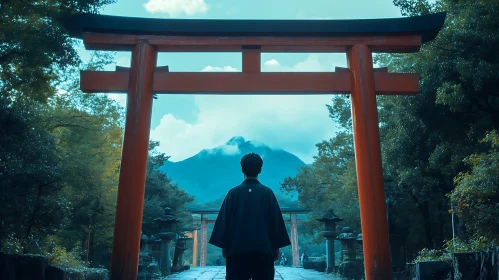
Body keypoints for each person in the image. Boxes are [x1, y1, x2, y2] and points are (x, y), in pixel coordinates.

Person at [209, 153, 291, 280]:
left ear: (242, 169)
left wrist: (225, 247)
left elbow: (224, 223)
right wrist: (276, 247)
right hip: (263, 251)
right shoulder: (267, 193)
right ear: (260, 169)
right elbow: (276, 223)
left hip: (236, 252)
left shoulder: (233, 193)